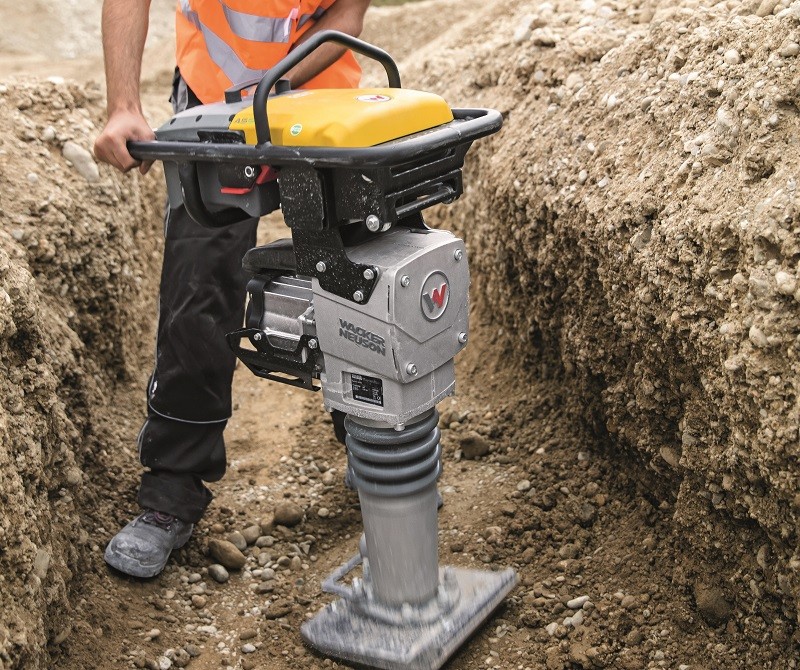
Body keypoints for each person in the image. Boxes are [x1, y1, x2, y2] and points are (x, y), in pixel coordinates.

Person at [94, 0, 372, 578]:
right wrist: (123, 105)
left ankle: (376, 448)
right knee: (200, 281)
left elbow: (345, 15)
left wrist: (270, 91)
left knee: (357, 274)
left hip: (323, 92)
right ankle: (172, 492)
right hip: (212, 97)